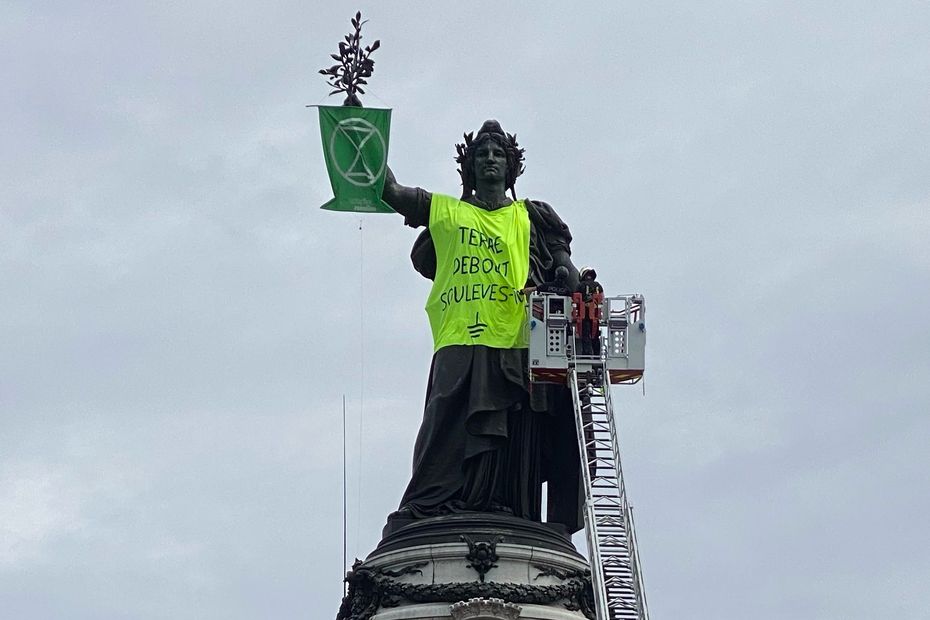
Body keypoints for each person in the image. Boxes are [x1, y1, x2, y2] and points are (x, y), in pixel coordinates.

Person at [381, 120, 583, 531]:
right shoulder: (447, 211)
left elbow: (566, 267)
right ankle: (429, 503)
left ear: (511, 168)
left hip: (518, 339)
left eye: (498, 154)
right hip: (459, 335)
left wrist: (569, 278)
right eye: (481, 155)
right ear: (468, 167)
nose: (489, 160)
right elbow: (391, 191)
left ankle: (507, 505)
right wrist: (359, 131)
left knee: (515, 422)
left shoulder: (534, 217)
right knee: (446, 411)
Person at [576, 266, 604, 356]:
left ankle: (586, 353)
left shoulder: (580, 286)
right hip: (596, 314)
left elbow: (576, 298)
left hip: (584, 314)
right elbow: (602, 298)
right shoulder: (598, 286)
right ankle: (597, 354)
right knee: (595, 335)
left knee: (585, 334)